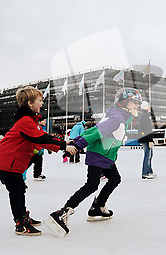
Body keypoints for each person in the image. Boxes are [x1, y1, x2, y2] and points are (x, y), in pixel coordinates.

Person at [45, 88, 142, 237]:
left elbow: (93, 129)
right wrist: (77, 145)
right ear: (124, 102)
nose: (137, 105)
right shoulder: (117, 118)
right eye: (134, 102)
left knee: (115, 179)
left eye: (138, 102)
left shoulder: (120, 116)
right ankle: (62, 212)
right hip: (98, 154)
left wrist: (76, 140)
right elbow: (96, 133)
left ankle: (98, 207)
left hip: (107, 156)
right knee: (91, 185)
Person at [0, 86, 76, 236]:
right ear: (30, 103)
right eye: (40, 100)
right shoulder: (26, 121)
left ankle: (23, 216)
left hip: (11, 161)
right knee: (16, 191)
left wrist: (61, 144)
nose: (42, 103)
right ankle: (20, 223)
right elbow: (41, 138)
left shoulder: (29, 120)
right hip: (8, 161)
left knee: (20, 189)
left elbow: (41, 138)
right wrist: (64, 146)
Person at [23, 116, 49, 181]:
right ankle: (22, 174)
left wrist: (48, 148)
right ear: (39, 121)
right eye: (43, 120)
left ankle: (37, 174)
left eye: (45, 120)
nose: (45, 122)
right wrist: (34, 148)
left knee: (39, 162)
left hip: (40, 149)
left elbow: (46, 139)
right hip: (34, 149)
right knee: (28, 162)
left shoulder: (43, 128)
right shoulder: (36, 127)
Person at [138, 101, 155, 179]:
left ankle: (149, 170)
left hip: (145, 138)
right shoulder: (145, 116)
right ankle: (145, 173)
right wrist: (150, 140)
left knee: (150, 155)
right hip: (146, 139)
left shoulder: (144, 115)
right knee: (147, 155)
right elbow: (147, 129)